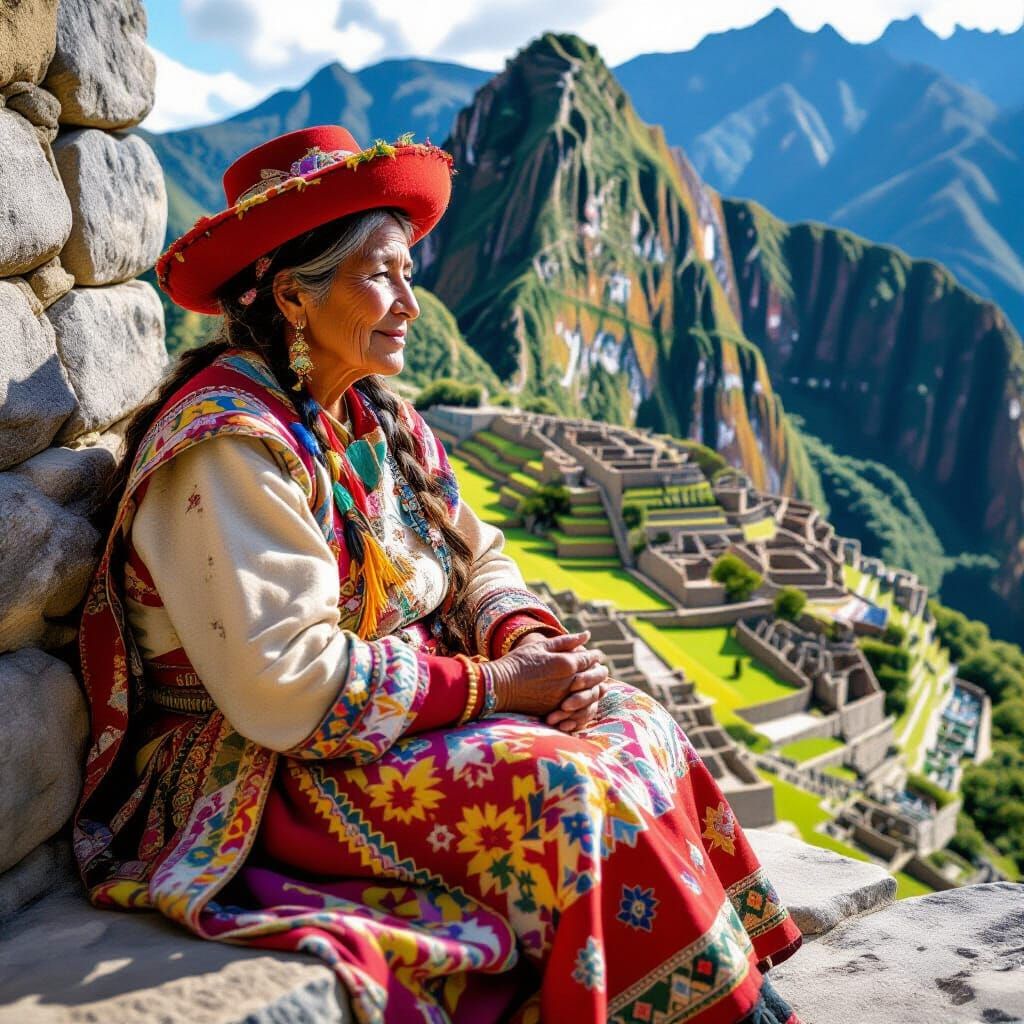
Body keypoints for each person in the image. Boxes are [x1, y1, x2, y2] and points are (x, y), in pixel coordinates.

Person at [74, 125, 803, 1023]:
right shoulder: (227, 450)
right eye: (381, 274)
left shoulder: (375, 422)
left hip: (386, 724)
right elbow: (282, 687)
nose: (410, 304)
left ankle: (716, 997)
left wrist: (529, 643)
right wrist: (499, 687)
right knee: (564, 793)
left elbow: (474, 556)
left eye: (407, 274)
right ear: (293, 296)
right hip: (256, 770)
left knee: (631, 721)